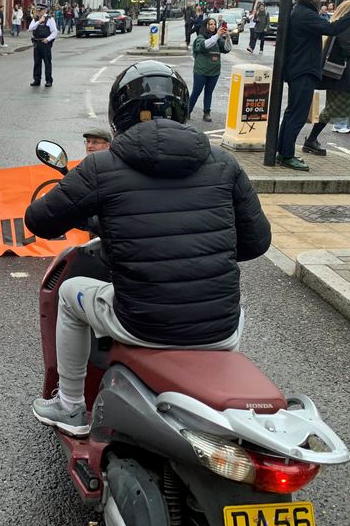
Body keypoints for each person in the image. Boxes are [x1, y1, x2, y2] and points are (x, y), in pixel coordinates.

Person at [24, 61, 272, 436]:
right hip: (222, 330)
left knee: (71, 293)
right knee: (231, 304)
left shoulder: (102, 166)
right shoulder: (224, 163)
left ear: (118, 114)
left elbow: (39, 220)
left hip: (141, 323)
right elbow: (257, 242)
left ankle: (70, 405)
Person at [276, 0, 350, 171]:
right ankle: (286, 155)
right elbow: (332, 28)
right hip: (303, 70)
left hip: (299, 68)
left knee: (292, 113)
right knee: (298, 115)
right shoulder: (305, 14)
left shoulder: (301, 11)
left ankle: (282, 151)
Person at [300, 3, 350, 159]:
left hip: (337, 76)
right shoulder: (344, 27)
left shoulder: (341, 25)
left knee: (333, 109)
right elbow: (346, 48)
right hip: (342, 77)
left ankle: (312, 140)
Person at [189, 17, 232, 122]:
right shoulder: (200, 38)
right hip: (201, 71)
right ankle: (187, 111)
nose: (213, 26)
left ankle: (206, 113)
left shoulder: (217, 39)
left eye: (214, 24)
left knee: (209, 92)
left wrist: (227, 37)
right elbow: (205, 45)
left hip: (214, 71)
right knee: (196, 92)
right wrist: (217, 35)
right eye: (210, 24)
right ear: (206, 26)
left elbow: (227, 49)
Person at [29, 7, 58, 87]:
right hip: (37, 42)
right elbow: (30, 28)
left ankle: (48, 80)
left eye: (40, 10)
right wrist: (38, 22)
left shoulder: (49, 19)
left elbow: (55, 32)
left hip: (45, 43)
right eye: (38, 10)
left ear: (44, 10)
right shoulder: (36, 19)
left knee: (47, 62)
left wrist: (48, 39)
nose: (39, 12)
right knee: (37, 62)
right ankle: (36, 79)